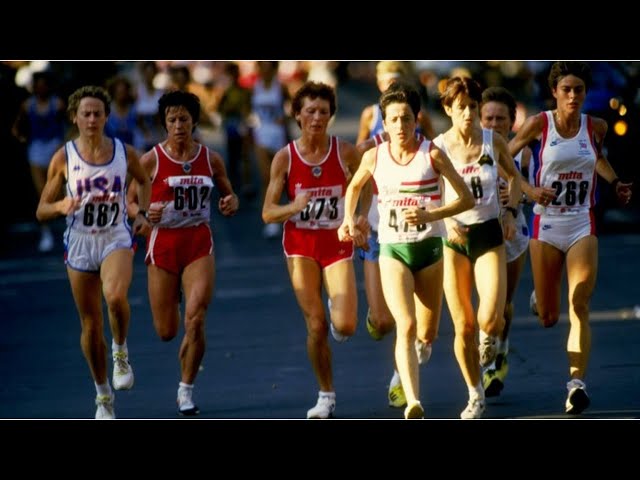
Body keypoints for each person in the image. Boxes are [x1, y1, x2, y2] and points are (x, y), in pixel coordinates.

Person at [339, 81, 474, 419]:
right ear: (384, 122)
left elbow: (466, 199)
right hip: (393, 251)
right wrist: (349, 220)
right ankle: (413, 400)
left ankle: (412, 362)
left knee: (426, 335)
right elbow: (354, 187)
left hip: (429, 250)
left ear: (417, 120)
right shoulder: (375, 155)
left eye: (406, 119)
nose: (400, 126)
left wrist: (432, 215)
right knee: (406, 325)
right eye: (393, 119)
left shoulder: (432, 154)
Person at [508, 62, 632, 415]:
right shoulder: (538, 125)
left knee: (578, 302)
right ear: (555, 93)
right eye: (567, 90)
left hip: (581, 223)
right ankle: (540, 297)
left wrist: (615, 182)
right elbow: (505, 159)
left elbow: (595, 160)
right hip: (546, 227)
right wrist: (530, 190)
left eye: (579, 89)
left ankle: (576, 384)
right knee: (549, 316)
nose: (574, 96)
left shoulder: (596, 126)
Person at [35, 85, 152, 419]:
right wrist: (60, 204)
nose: (91, 119)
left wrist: (141, 213)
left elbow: (143, 181)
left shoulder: (123, 152)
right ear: (75, 117)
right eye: (85, 114)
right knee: (90, 324)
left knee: (115, 297)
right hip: (80, 241)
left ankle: (120, 351)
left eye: (97, 113)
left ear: (106, 117)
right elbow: (41, 209)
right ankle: (103, 397)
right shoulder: (63, 157)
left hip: (115, 235)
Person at [127, 90, 239, 416]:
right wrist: (145, 214)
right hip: (163, 245)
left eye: (184, 119)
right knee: (167, 331)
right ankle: (177, 303)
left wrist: (229, 202)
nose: (178, 125)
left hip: (197, 242)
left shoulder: (210, 158)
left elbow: (228, 195)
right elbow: (130, 200)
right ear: (164, 123)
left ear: (194, 122)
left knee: (197, 318)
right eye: (172, 119)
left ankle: (186, 388)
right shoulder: (151, 159)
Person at [262, 81, 366, 419]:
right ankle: (326, 395)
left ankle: (340, 318)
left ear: (331, 115)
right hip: (301, 244)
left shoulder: (346, 152)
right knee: (316, 324)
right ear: (297, 115)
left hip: (336, 242)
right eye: (310, 111)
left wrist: (359, 217)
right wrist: (294, 206)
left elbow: (367, 189)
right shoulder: (285, 157)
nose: (317, 118)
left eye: (323, 111)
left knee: (346, 326)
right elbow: (267, 212)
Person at [433, 76, 522, 419]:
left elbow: (514, 178)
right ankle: (475, 394)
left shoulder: (492, 141)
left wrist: (511, 212)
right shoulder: (437, 147)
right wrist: (445, 221)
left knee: (490, 318)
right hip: (454, 238)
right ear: (448, 110)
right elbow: (428, 193)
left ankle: (492, 338)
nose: (468, 114)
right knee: (463, 326)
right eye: (461, 108)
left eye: (473, 107)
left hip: (488, 233)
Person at [354, 62, 436, 410]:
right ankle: (378, 323)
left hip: (421, 235)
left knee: (417, 327)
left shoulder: (419, 124)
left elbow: (434, 164)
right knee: (389, 321)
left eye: (396, 76)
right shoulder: (370, 117)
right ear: (377, 82)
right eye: (385, 76)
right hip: (379, 231)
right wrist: (353, 217)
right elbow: (355, 170)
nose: (390, 81)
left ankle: (400, 378)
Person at [478, 86, 535, 397]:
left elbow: (541, 192)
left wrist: (519, 193)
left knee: (505, 305)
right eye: (488, 118)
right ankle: (485, 366)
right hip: (479, 234)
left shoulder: (523, 153)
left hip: (513, 233)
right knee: (487, 303)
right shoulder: (470, 151)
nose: (494, 124)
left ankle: (501, 348)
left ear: (512, 121)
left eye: (501, 118)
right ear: (479, 119)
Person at [12, 71, 67, 252]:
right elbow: (17, 127)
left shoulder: (57, 104)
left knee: (58, 190)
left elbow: (66, 125)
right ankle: (46, 233)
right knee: (41, 192)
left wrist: (62, 143)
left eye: (44, 84)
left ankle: (70, 227)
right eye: (39, 84)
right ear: (34, 87)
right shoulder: (28, 106)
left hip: (54, 147)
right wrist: (22, 138)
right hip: (36, 149)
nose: (41, 88)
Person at [252, 61, 290, 238]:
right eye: (262, 66)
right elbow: (251, 111)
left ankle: (286, 213)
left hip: (278, 135)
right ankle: (271, 219)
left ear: (274, 69)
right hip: (261, 134)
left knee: (281, 179)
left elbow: (291, 108)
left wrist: (287, 126)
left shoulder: (280, 87)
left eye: (268, 67)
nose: (264, 70)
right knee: (266, 177)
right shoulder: (255, 87)